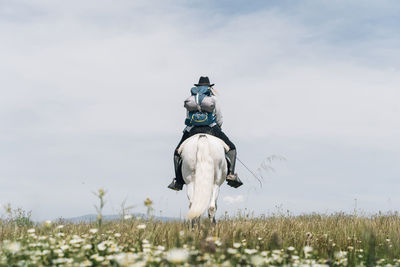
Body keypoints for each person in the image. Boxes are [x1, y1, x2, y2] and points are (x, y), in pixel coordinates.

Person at [168, 76, 243, 191]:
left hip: (191, 129)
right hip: (211, 128)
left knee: (177, 152)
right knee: (232, 148)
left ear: (198, 87)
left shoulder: (190, 99)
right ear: (209, 87)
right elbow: (219, 118)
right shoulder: (213, 99)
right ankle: (231, 175)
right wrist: (218, 128)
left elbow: (187, 116)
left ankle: (178, 182)